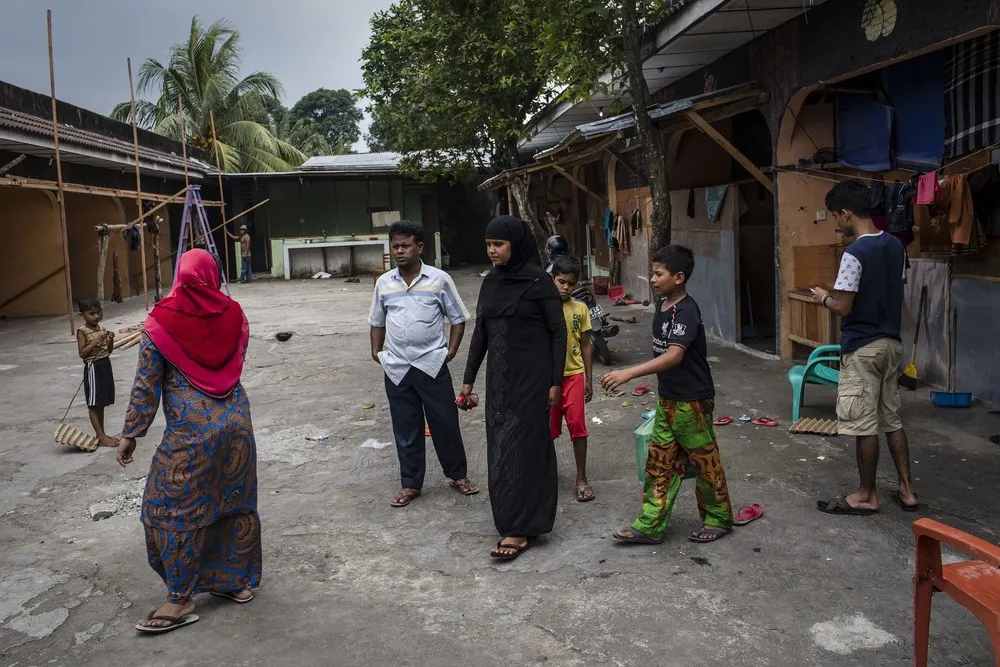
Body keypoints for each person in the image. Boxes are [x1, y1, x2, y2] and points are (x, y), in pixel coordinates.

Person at [116, 248, 260, 634]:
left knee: (168, 509)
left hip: (191, 435)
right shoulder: (235, 314)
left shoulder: (160, 322)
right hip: (236, 426)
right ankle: (234, 582)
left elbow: (146, 386)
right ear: (212, 275)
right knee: (231, 501)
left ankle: (179, 599)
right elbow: (235, 359)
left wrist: (131, 433)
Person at [601, 245, 733, 544]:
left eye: (659, 273)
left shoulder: (686, 310)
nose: (652, 278)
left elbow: (674, 355)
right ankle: (650, 525)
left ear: (679, 277)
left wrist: (629, 373)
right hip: (669, 399)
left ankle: (719, 518)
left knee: (704, 463)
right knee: (658, 462)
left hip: (693, 401)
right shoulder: (662, 306)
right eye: (653, 272)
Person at [460, 216, 567, 560]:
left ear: (515, 245)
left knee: (525, 448)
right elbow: (481, 334)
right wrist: (468, 378)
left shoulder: (539, 282)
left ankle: (521, 528)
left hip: (533, 380)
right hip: (500, 381)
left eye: (498, 245)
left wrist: (555, 381)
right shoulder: (490, 283)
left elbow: (558, 333)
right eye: (488, 244)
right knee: (500, 449)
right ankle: (508, 519)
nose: (491, 251)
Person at [811, 179, 918, 515]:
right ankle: (907, 490)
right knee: (891, 418)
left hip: (863, 346)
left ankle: (865, 494)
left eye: (835, 217)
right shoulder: (896, 247)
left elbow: (844, 306)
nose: (836, 224)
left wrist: (823, 297)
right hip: (891, 343)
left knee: (864, 423)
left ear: (846, 213)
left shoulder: (854, 253)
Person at [369, 220, 479, 507]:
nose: (400, 251)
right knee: (405, 428)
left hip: (431, 364)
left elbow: (457, 318)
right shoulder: (384, 283)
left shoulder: (438, 279)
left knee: (445, 423)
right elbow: (377, 321)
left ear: (420, 247)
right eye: (395, 246)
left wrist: (450, 351)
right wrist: (377, 351)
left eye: (405, 245)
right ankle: (410, 484)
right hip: (396, 368)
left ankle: (458, 476)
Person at [548, 255, 595, 502]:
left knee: (577, 426)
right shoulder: (544, 307)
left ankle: (581, 477)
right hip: (548, 379)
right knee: (548, 429)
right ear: (552, 279)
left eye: (571, 283)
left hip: (574, 374)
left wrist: (589, 378)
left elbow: (586, 344)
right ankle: (545, 475)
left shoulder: (580, 309)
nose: (565, 287)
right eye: (561, 281)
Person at [76, 297, 116, 447]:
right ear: (83, 315)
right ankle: (100, 435)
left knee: (102, 402)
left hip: (105, 364)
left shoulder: (101, 329)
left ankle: (102, 435)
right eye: (91, 314)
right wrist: (96, 340)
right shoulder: (82, 331)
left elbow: (109, 350)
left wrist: (110, 339)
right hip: (93, 367)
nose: (96, 317)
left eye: (98, 313)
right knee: (93, 403)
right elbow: (82, 353)